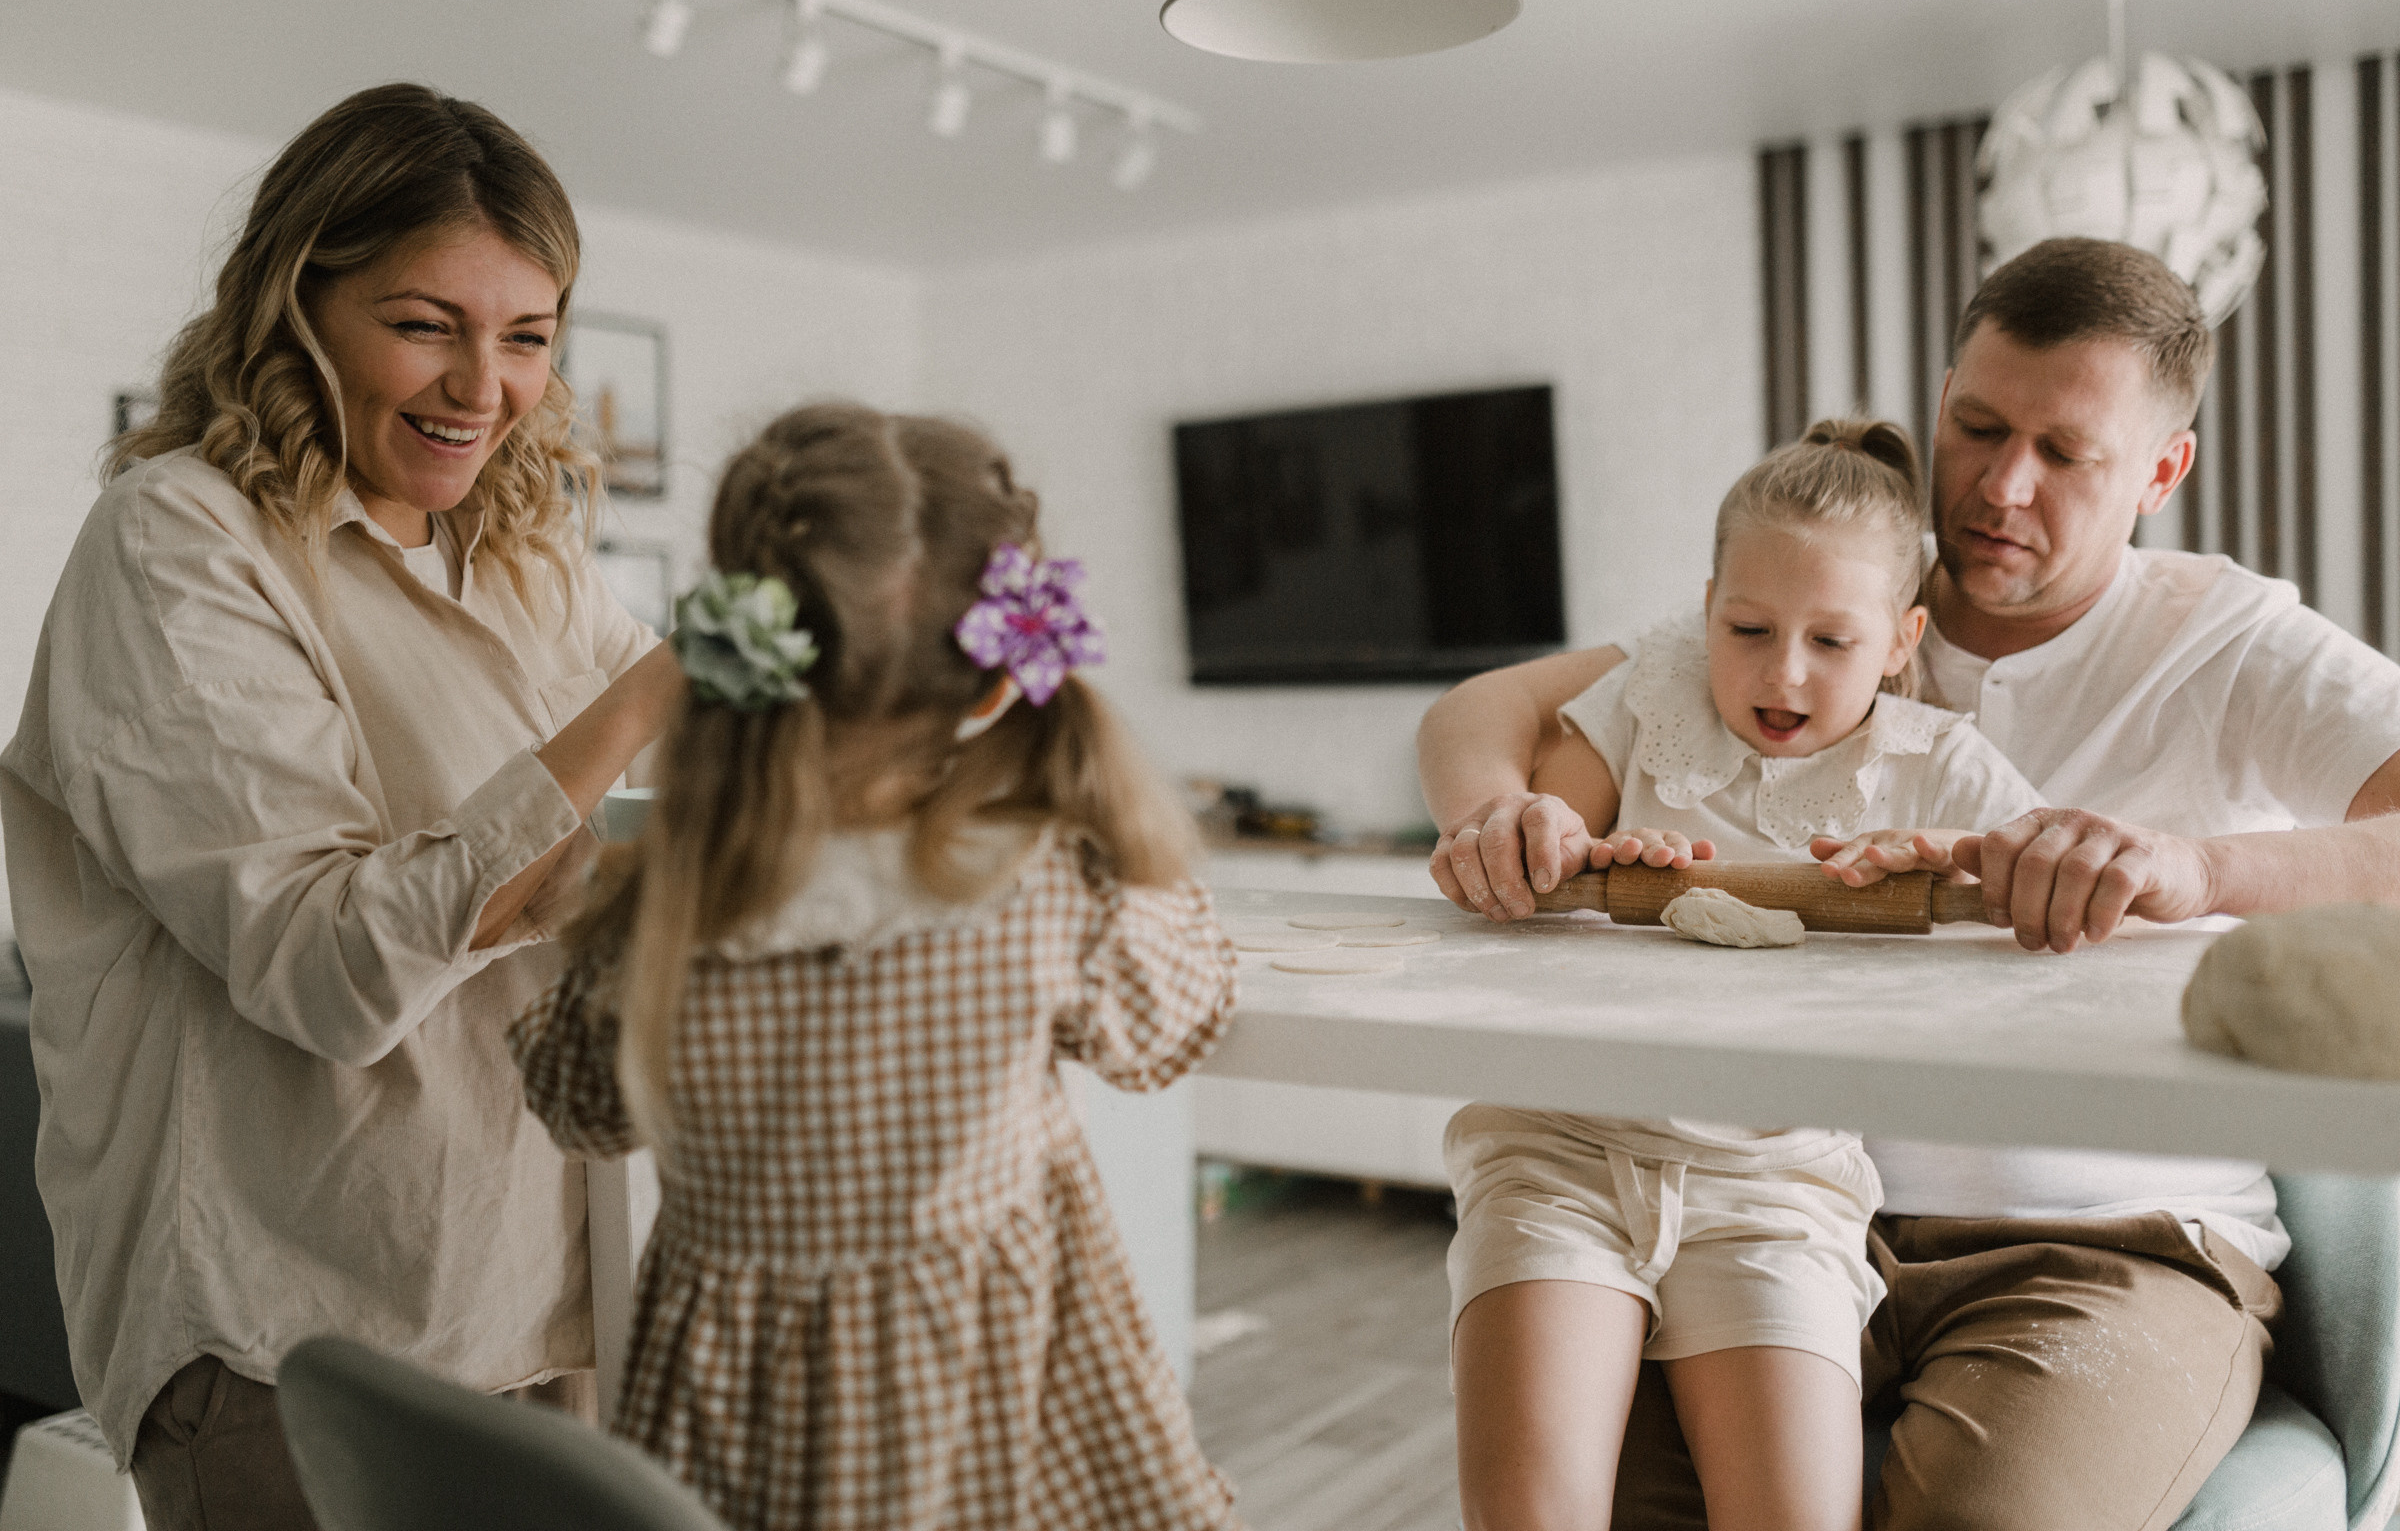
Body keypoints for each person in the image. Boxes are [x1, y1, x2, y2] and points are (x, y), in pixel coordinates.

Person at [1420, 236, 2400, 1528]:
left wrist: (2189, 864)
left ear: (2163, 470)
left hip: (2102, 1245)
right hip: (1778, 1200)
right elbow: (1498, 705)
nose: (2001, 485)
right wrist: (1500, 815)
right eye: (1977, 426)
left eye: (2066, 453)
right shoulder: (1828, 600)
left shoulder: (2230, 641)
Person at [0, 84, 683, 1531]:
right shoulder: (177, 540)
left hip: (547, 1294)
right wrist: (663, 691)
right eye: (425, 324)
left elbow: (694, 788)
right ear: (295, 304)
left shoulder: (521, 558)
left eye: (527, 337)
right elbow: (326, 965)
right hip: (298, 1336)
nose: (483, 388)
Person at [508, 402, 1243, 1531]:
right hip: (990, 1409)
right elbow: (1167, 1027)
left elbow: (575, 1103)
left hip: (724, 1427)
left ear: (736, 661)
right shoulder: (1044, 883)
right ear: (1005, 673)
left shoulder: (662, 903)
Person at [1447, 418, 2043, 1531]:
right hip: (1566, 1147)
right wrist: (1556, 851)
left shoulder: (1943, 767)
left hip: (1778, 1183)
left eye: (1833, 640)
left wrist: (1953, 873)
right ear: (1704, 602)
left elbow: (2036, 908)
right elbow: (1535, 860)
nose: (1783, 671)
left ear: (1904, 638)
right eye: (1749, 627)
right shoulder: (1642, 706)